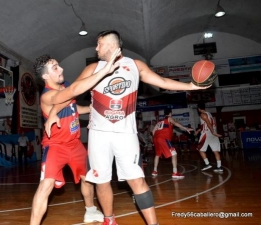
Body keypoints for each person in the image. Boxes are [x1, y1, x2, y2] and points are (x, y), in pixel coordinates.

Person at [46, 30, 208, 225]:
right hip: (99, 134)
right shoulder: (93, 68)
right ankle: (109, 219)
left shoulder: (135, 65)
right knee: (101, 180)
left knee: (137, 180)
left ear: (112, 45)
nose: (96, 48)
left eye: (99, 44)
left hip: (126, 134)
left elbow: (163, 82)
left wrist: (191, 86)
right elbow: (71, 93)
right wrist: (53, 113)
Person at [30, 48, 121, 225]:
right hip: (55, 146)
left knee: (88, 178)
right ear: (45, 77)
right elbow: (73, 92)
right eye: (55, 68)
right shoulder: (47, 96)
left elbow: (72, 107)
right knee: (46, 185)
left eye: (58, 65)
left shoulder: (64, 87)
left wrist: (91, 109)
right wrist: (104, 70)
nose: (61, 69)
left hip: (75, 144)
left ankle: (90, 211)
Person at [151, 108, 193, 179]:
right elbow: (176, 123)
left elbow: (153, 132)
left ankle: (154, 171)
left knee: (157, 154)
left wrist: (154, 141)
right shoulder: (169, 118)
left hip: (156, 139)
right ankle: (175, 172)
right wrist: (185, 128)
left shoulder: (159, 122)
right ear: (170, 113)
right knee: (174, 154)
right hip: (163, 138)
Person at [196, 102, 223, 172]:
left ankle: (207, 164)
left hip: (207, 134)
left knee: (200, 149)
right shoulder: (209, 114)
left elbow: (208, 124)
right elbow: (204, 124)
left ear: (198, 109)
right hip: (212, 133)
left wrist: (213, 132)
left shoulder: (202, 114)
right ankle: (219, 166)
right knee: (215, 151)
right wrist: (199, 130)